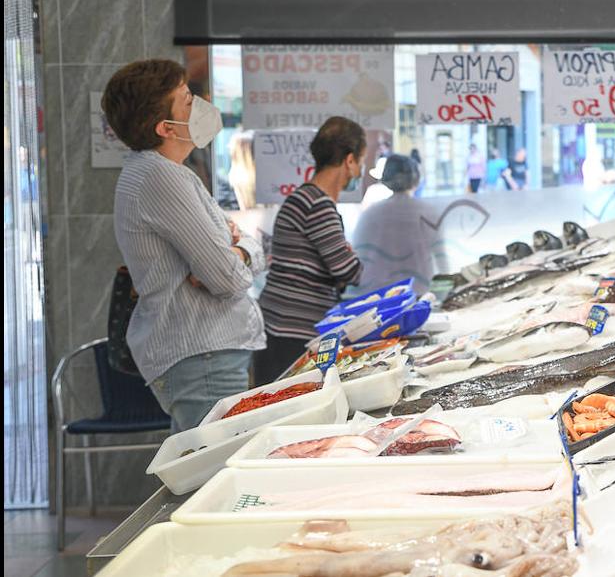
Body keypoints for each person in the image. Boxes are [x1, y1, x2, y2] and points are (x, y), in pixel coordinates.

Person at [104, 59, 265, 432]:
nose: (201, 104)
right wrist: (240, 252)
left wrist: (240, 250)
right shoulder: (161, 178)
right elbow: (226, 278)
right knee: (209, 473)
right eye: (187, 99)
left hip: (205, 353)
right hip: (204, 354)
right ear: (165, 127)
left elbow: (235, 251)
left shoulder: (165, 173)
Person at [255, 117, 365, 383]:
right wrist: (349, 257)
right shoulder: (318, 205)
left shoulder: (301, 197)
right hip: (292, 335)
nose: (360, 170)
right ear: (349, 161)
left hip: (277, 327)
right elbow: (349, 271)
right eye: (361, 161)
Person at [352, 155, 446, 294]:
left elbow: (359, 258)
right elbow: (441, 259)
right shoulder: (428, 212)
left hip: (378, 296)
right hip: (418, 292)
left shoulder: (371, 214)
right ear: (416, 179)